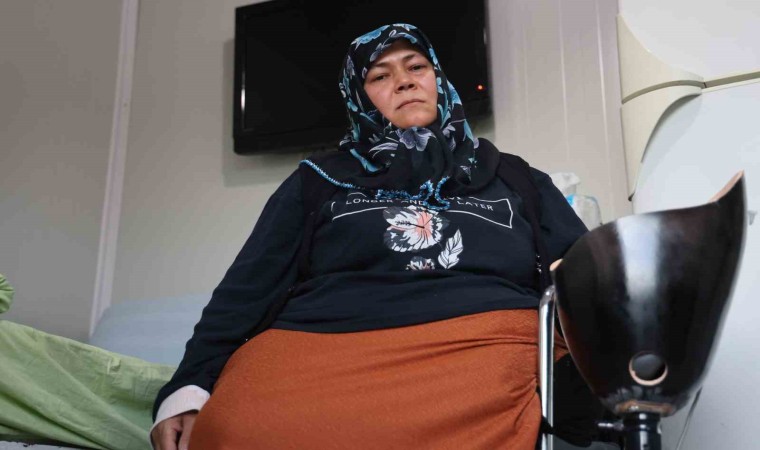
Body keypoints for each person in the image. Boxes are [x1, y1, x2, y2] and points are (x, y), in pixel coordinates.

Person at [150, 23, 592, 450]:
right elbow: (247, 289)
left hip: (486, 344)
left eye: (416, 67)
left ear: (437, 78)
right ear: (359, 97)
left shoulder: (516, 177)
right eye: (380, 76)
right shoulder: (317, 180)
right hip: (318, 347)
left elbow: (585, 273)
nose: (404, 82)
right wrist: (188, 387)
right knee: (228, 429)